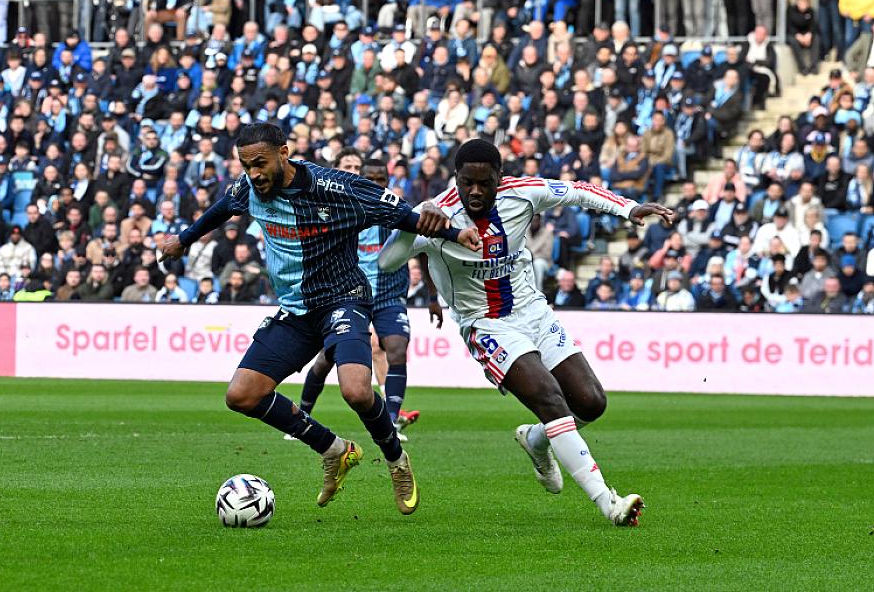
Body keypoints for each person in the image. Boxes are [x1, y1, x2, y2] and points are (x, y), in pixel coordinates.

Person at [161, 123, 480, 516]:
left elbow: (400, 215)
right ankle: (334, 450)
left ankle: (397, 462)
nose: (254, 173)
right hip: (296, 311)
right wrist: (184, 239)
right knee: (241, 395)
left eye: (260, 163)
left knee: (357, 391)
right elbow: (222, 208)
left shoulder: (335, 188)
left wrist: (452, 232)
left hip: (343, 299)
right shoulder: (249, 189)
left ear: (284, 152)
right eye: (246, 166)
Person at [379, 139, 673, 526]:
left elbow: (577, 192)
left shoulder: (523, 194)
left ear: (501, 178)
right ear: (456, 177)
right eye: (467, 182)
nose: (475, 192)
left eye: (485, 183)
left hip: (532, 310)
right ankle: (609, 502)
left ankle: (536, 439)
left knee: (591, 403)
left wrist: (628, 207)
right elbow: (386, 262)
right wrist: (410, 225)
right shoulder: (437, 213)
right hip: (484, 322)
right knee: (551, 398)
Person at [296, 152, 424, 442]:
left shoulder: (399, 212)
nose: (377, 184)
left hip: (390, 296)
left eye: (382, 180)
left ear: (389, 181)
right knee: (326, 359)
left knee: (395, 348)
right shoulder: (344, 210)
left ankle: (391, 422)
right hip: (350, 294)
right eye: (371, 179)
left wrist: (430, 294)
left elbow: (423, 244)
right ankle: (303, 414)